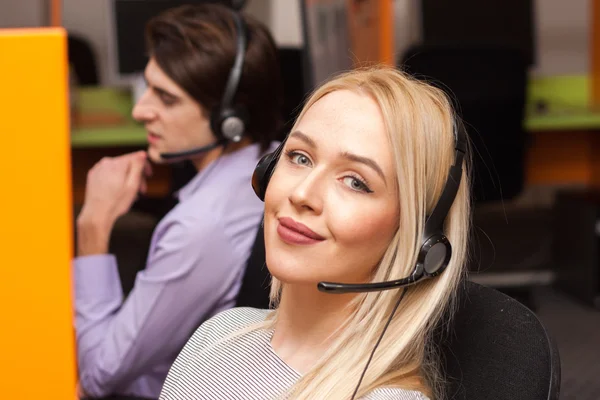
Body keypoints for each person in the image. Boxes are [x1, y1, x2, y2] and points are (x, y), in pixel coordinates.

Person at [158, 66, 471, 400]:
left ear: (418, 236)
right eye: (300, 157)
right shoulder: (221, 334)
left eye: (355, 182)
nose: (302, 194)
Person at [73, 4, 283, 398]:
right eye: (147, 86)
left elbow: (99, 377)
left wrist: (93, 227)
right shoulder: (273, 160)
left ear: (229, 120)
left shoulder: (198, 228)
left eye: (166, 99)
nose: (140, 110)